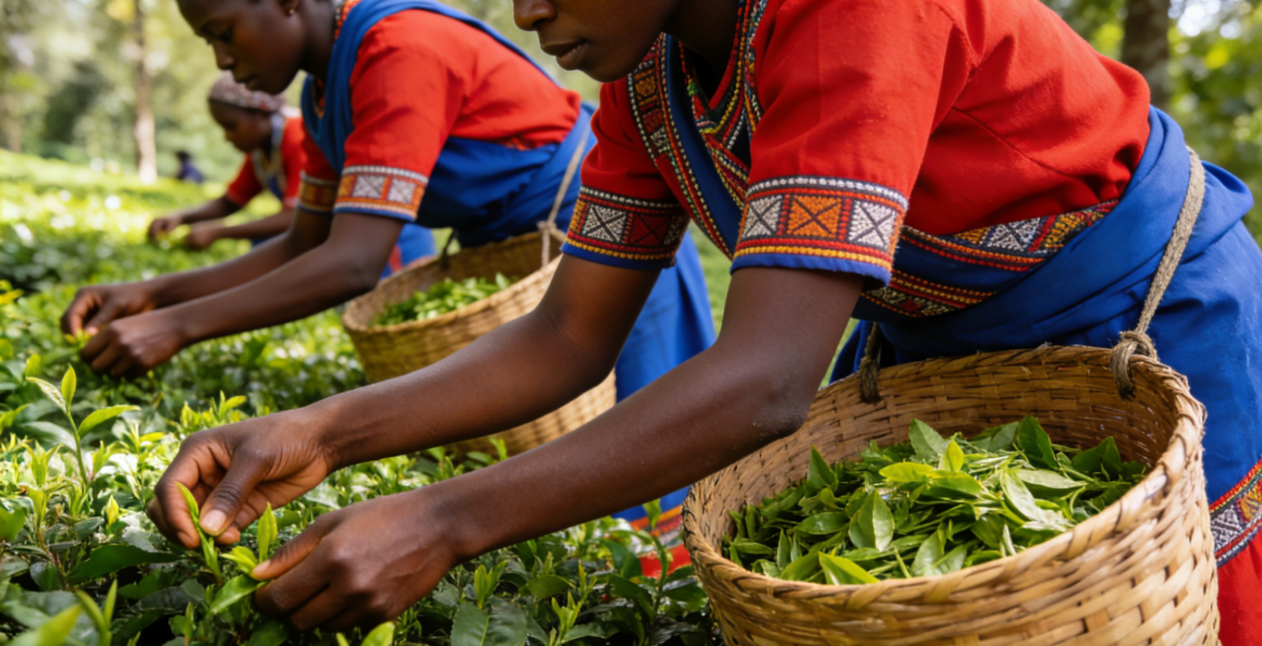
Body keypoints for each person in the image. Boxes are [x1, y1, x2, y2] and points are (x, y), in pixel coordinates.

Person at [145, 0, 1262, 640]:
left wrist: (442, 521)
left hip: (1145, 315)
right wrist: (318, 431)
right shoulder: (650, 81)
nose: (527, 13)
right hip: (945, 343)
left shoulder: (846, 13)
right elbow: (565, 335)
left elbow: (767, 376)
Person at [68, 0, 713, 534]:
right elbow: (304, 242)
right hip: (505, 246)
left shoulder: (398, 49)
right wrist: (153, 297)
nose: (223, 59)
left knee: (659, 442)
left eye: (222, 32)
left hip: (601, 229)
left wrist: (176, 326)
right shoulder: (324, 99)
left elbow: (351, 264)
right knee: (570, 459)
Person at [150, 73, 306, 250]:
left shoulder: (297, 137)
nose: (227, 137)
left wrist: (220, 232)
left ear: (260, 114)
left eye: (231, 126)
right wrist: (181, 217)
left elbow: (298, 216)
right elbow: (231, 201)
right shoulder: (261, 151)